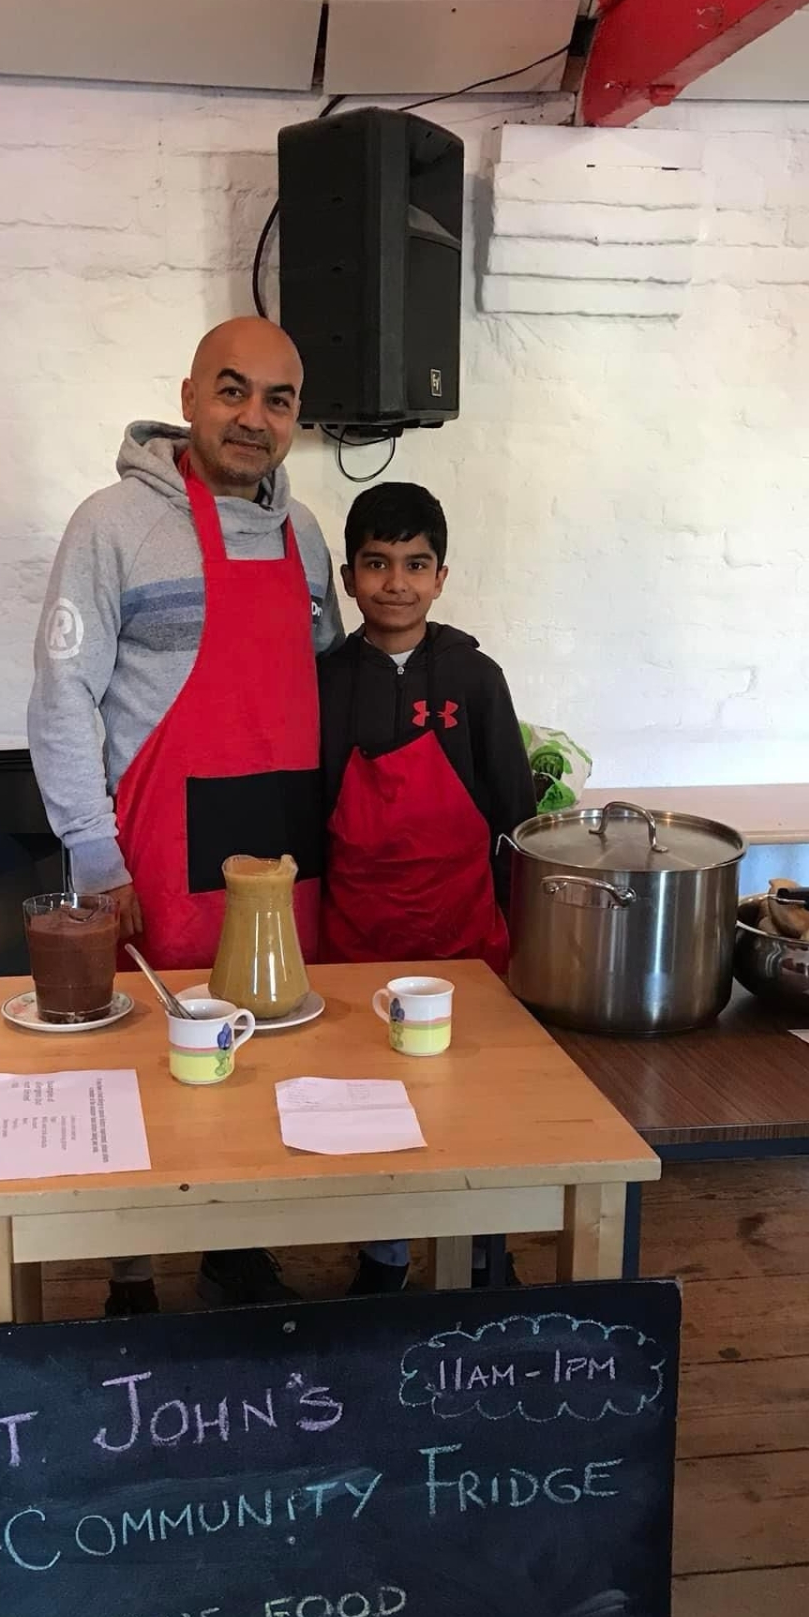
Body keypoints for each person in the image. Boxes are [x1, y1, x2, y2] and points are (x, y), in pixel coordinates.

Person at [29, 318, 342, 1315]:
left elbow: (321, 675)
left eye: (278, 400)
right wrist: (92, 847)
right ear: (190, 394)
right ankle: (132, 1275)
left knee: (269, 1051)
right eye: (233, 390)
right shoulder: (113, 523)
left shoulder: (306, 536)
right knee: (148, 1062)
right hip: (157, 846)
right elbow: (61, 693)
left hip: (283, 847)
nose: (254, 418)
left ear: (297, 417)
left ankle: (236, 1242)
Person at [318, 481, 537, 1294]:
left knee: (475, 1101)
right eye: (377, 564)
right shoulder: (327, 681)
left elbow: (513, 813)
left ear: (443, 576)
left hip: (464, 937)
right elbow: (309, 821)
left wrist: (526, 934)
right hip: (356, 940)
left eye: (416, 564)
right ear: (349, 578)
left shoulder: (475, 678)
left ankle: (487, 1249)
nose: (396, 583)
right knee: (370, 1100)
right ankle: (384, 1256)